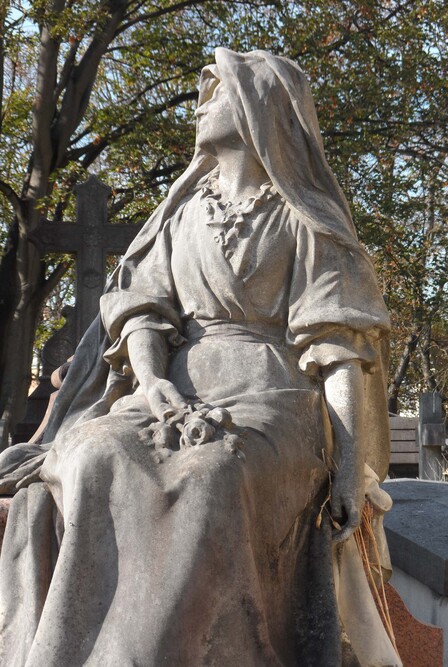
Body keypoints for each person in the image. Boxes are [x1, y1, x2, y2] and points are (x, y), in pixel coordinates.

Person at [0, 49, 399, 666]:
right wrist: (154, 378)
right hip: (172, 391)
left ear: (256, 109)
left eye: (216, 93)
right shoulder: (182, 215)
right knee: (94, 454)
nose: (201, 106)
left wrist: (347, 465)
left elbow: (337, 346)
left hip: (276, 399)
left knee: (213, 475)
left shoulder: (305, 222)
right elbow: (142, 310)